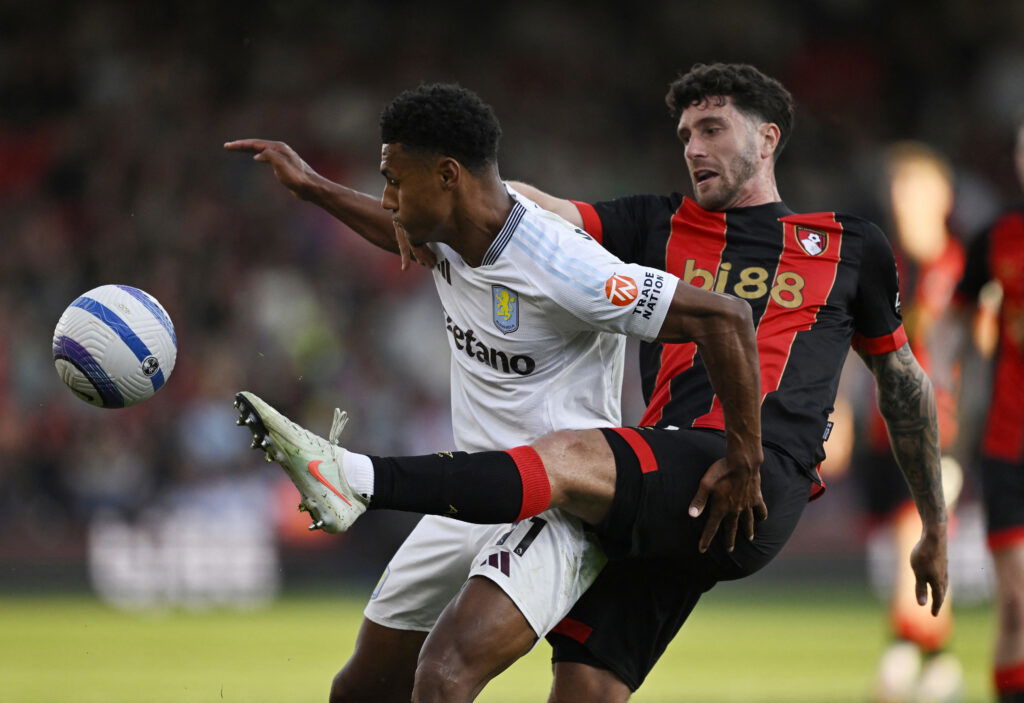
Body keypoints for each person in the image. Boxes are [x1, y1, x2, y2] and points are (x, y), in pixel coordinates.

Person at [234, 63, 950, 701]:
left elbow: (904, 385)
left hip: (747, 471)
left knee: (568, 458)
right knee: (586, 686)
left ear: (767, 139)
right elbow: (520, 215)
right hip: (659, 480)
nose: (694, 147)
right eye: (684, 134)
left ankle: (355, 475)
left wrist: (933, 525)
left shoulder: (851, 244)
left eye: (711, 128)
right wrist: (394, 199)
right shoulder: (653, 222)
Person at [853, 142, 964, 702]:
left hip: (944, 430)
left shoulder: (962, 269)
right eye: (898, 190)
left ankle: (901, 661)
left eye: (915, 188)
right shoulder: (886, 265)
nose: (904, 201)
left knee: (909, 541)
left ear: (942, 196)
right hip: (883, 431)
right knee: (900, 550)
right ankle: (938, 662)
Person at [950, 115, 1024, 703]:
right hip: (1009, 442)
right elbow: (955, 320)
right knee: (1018, 607)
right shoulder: (996, 239)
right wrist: (938, 387)